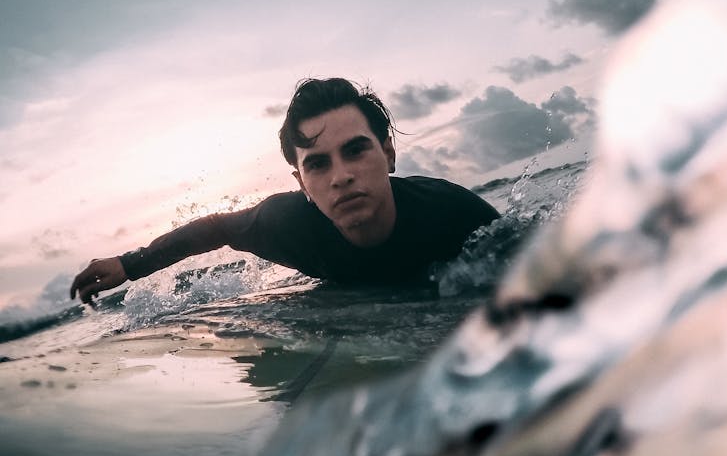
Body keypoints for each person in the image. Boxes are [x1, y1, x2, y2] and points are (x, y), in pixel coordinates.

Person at [70, 78, 499, 304]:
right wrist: (129, 264)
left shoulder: (453, 214)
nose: (341, 176)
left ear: (388, 155)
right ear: (301, 183)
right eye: (317, 163)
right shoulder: (287, 225)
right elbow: (215, 228)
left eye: (355, 151)